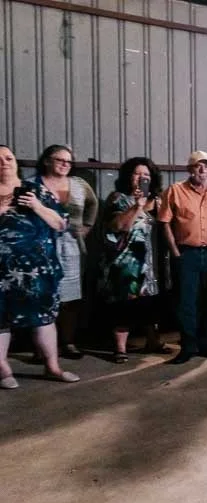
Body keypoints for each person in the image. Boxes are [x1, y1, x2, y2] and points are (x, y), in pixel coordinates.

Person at [0, 145, 79, 389]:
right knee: (0, 320)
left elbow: (60, 224)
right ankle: (3, 370)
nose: (4, 162)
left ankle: (53, 367)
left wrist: (37, 206)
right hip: (2, 272)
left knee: (44, 318)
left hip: (38, 270)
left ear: (16, 161)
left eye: (8, 157)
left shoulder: (36, 190)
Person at [158, 150, 207, 364]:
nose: (202, 169)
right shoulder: (174, 191)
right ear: (189, 169)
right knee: (186, 302)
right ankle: (188, 346)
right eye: (197, 165)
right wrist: (175, 252)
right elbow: (164, 222)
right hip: (187, 254)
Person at [99, 157, 171, 362]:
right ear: (128, 177)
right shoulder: (118, 199)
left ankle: (153, 341)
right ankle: (120, 348)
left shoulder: (157, 201)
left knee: (151, 304)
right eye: (137, 174)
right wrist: (136, 206)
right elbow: (118, 227)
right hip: (125, 264)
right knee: (124, 306)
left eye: (146, 175)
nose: (142, 178)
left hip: (151, 265)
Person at [35, 145, 98, 359]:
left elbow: (93, 204)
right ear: (46, 161)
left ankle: (68, 342)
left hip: (71, 248)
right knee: (42, 296)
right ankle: (41, 347)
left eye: (68, 161)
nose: (64, 164)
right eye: (59, 159)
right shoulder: (34, 185)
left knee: (69, 299)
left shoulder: (79, 185)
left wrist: (86, 227)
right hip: (41, 247)